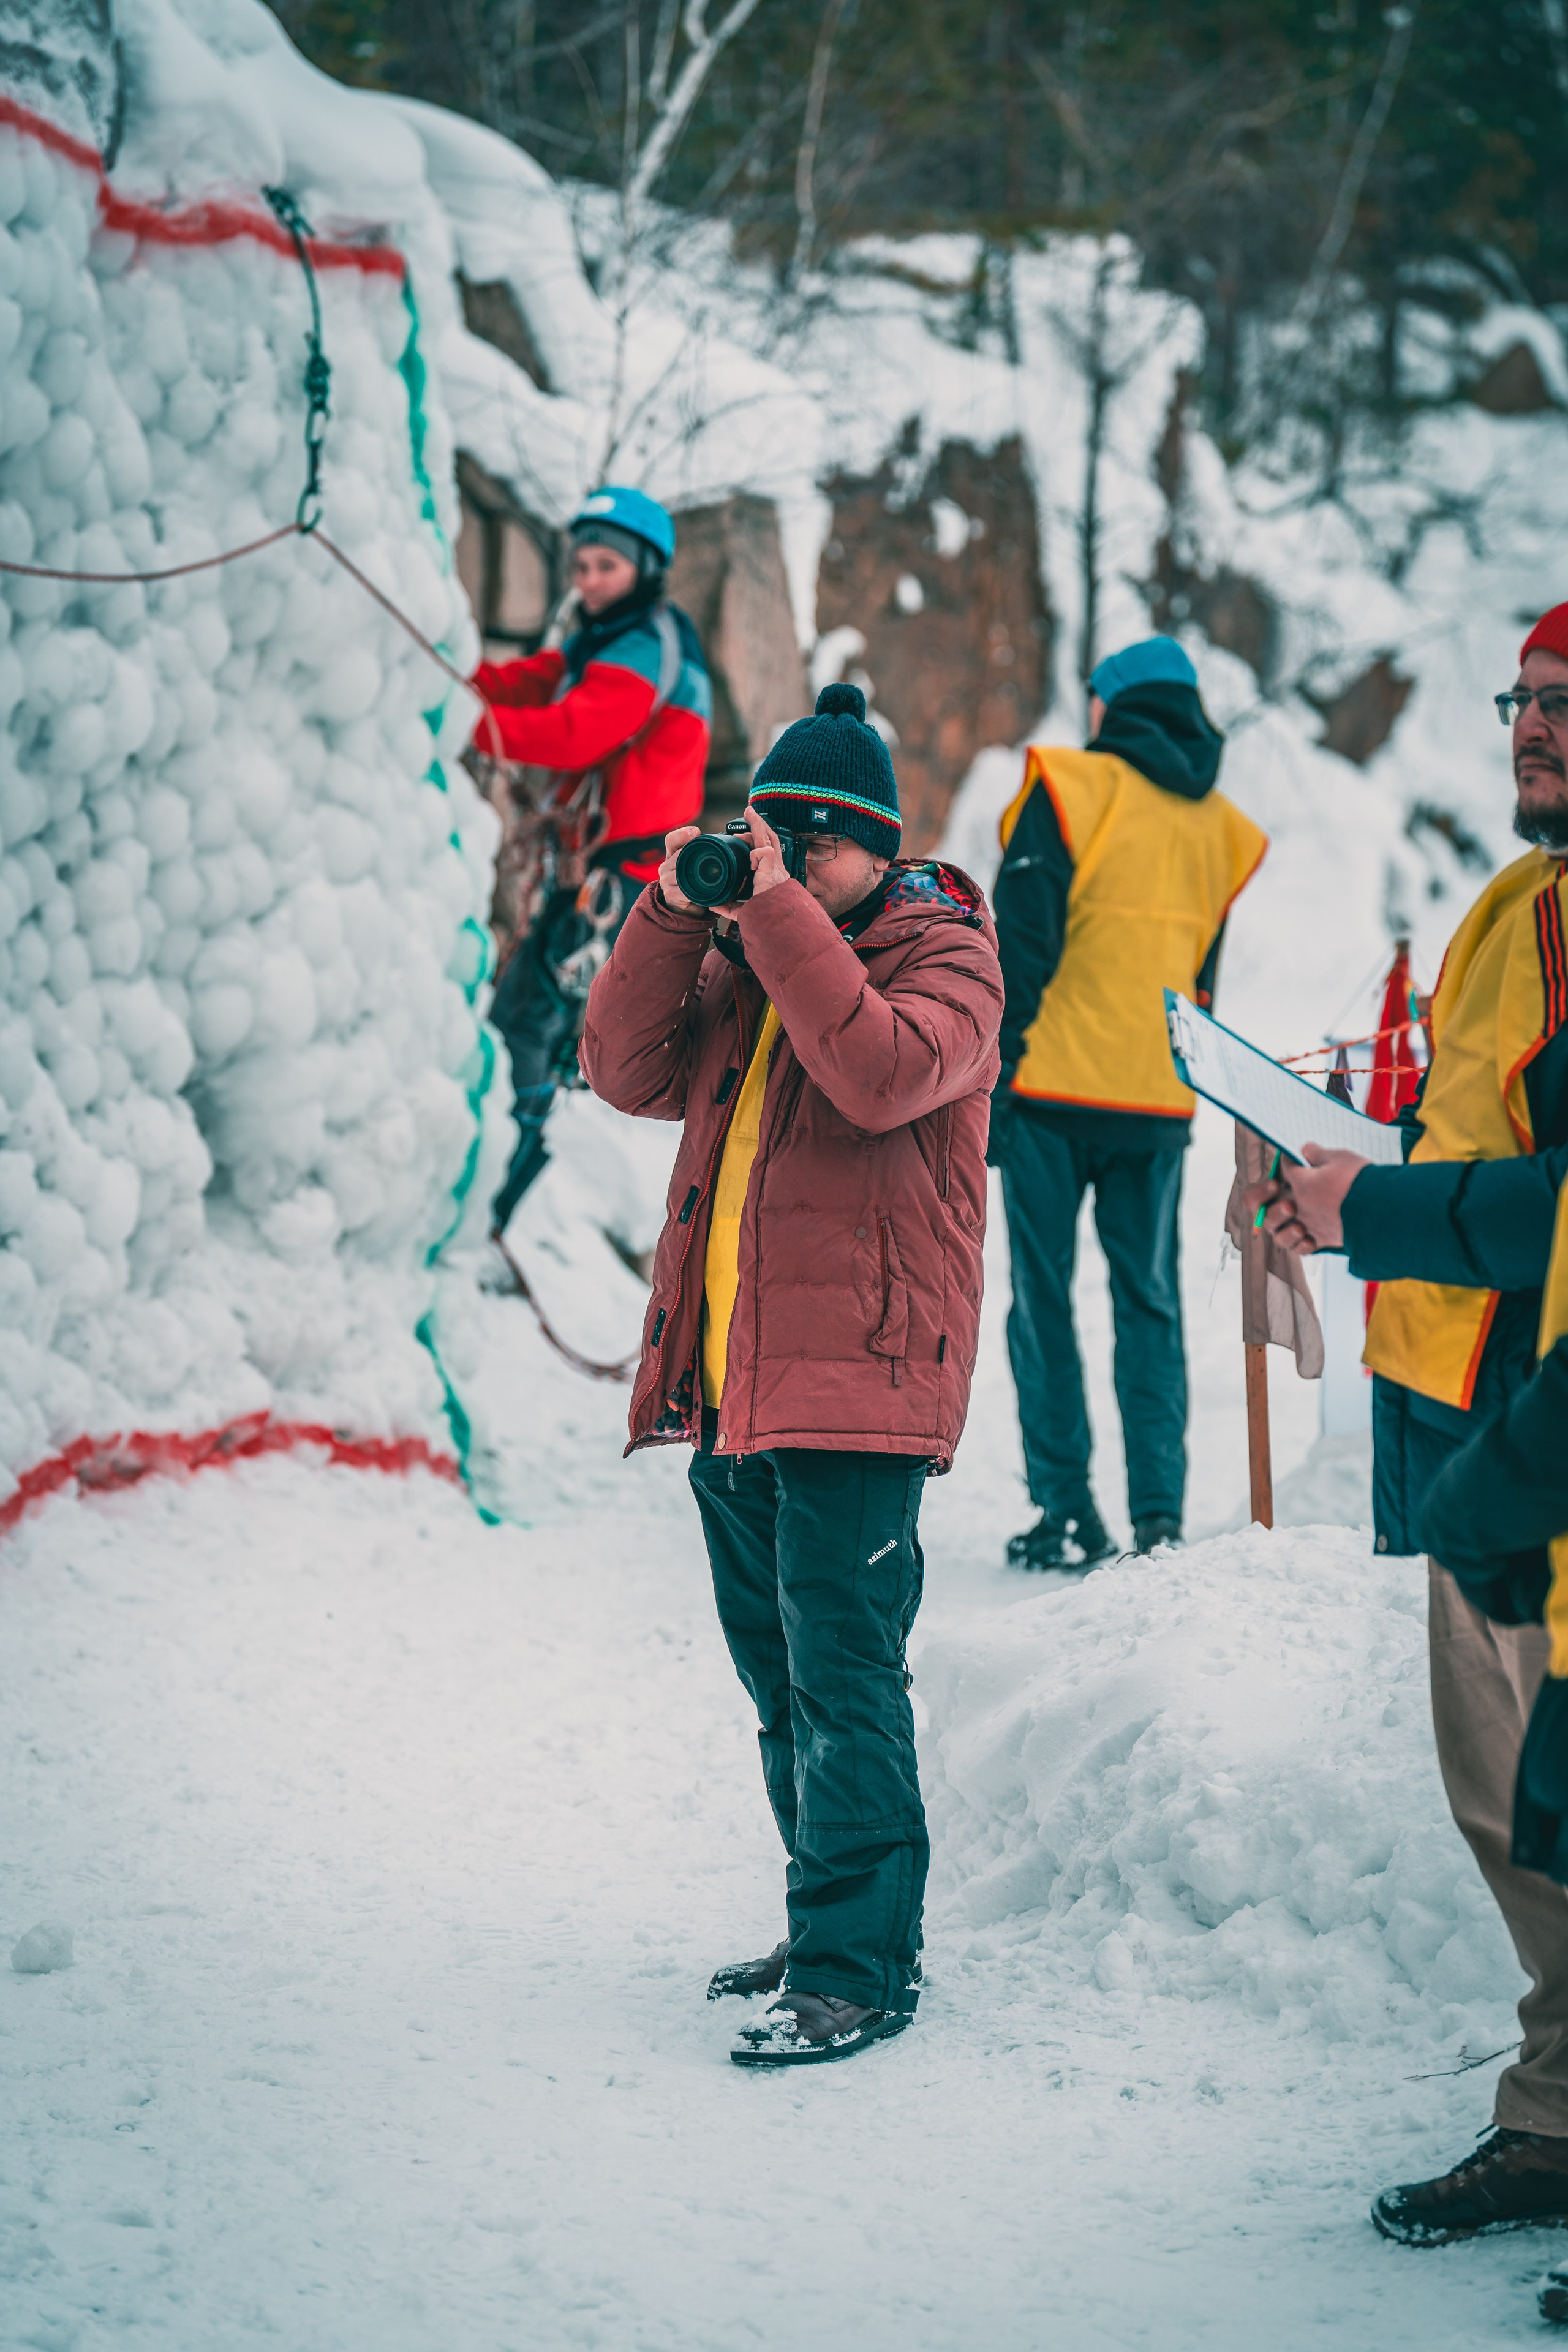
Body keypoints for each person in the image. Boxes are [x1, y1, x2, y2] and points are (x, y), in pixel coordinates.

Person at [579, 682, 1004, 2067]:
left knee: (844, 1681)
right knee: (782, 1684)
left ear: (877, 844)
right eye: (769, 837)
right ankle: (825, 1924)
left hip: (861, 1386)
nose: (788, 863)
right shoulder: (749, 954)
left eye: (813, 843)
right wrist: (670, 909)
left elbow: (877, 1074)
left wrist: (770, 914)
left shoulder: (947, 956)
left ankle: (857, 1967)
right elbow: (621, 1069)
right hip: (735, 1383)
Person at [1243, 603, 1568, 2255]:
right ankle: (1557, 2115)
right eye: (1524, 698)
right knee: (1508, 1804)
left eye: (1567, 701)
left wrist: (1373, 1211)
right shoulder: (1517, 900)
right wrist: (1346, 1176)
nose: (1535, 724)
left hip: (1545, 1422)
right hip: (1474, 1410)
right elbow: (1476, 1137)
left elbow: (1554, 1197)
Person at [989, 635, 1267, 1569]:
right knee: (1149, 1304)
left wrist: (991, 1077)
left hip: (1049, 1091)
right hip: (1156, 1101)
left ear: (1109, 705)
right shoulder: (1221, 828)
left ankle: (1068, 1511)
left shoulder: (1071, 786)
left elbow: (1019, 950)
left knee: (1044, 1301)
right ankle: (1159, 1522)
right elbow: (1203, 981)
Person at [471, 486, 711, 1233]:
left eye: (606, 566)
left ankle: (491, 1197)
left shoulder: (644, 646)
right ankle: (494, 1190)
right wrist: (453, 674)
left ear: (645, 568)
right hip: (601, 873)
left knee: (528, 1024)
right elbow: (534, 681)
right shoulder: (607, 639)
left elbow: (576, 733)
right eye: (581, 566)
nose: (588, 581)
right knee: (533, 1023)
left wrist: (468, 723)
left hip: (620, 883)